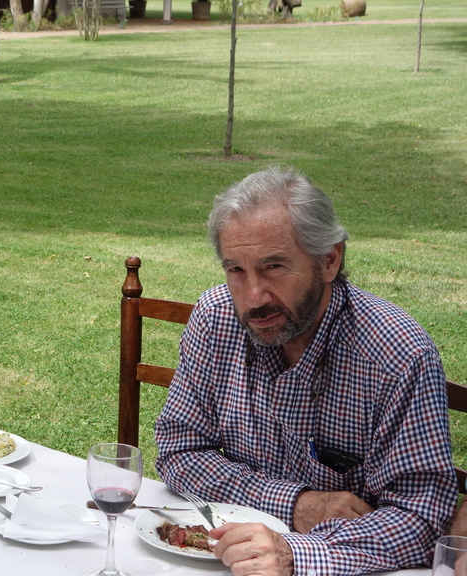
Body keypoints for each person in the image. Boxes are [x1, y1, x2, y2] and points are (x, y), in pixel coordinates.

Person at [154, 166, 456, 576]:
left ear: (329, 260)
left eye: (273, 267)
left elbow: (422, 520)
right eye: (236, 270)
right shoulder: (216, 318)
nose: (253, 297)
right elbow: (180, 451)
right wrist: (295, 504)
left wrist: (294, 554)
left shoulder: (396, 354)